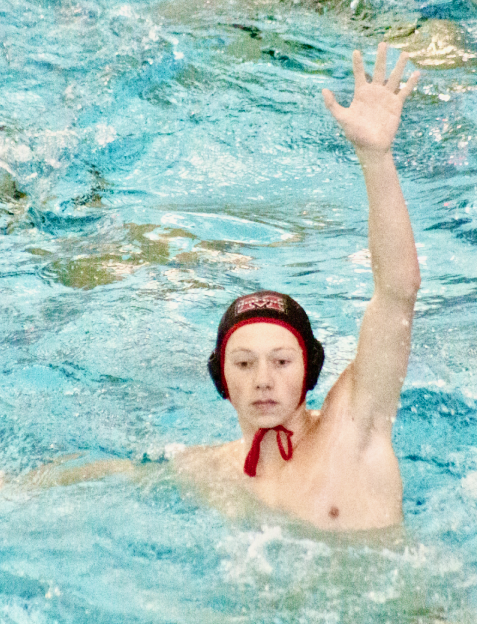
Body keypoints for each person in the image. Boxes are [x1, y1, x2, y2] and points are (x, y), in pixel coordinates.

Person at [2, 43, 421, 532]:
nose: (263, 379)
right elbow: (107, 479)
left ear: (310, 369)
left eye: (282, 361)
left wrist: (376, 158)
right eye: (244, 363)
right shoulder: (211, 473)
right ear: (221, 378)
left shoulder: (353, 430)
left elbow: (398, 293)